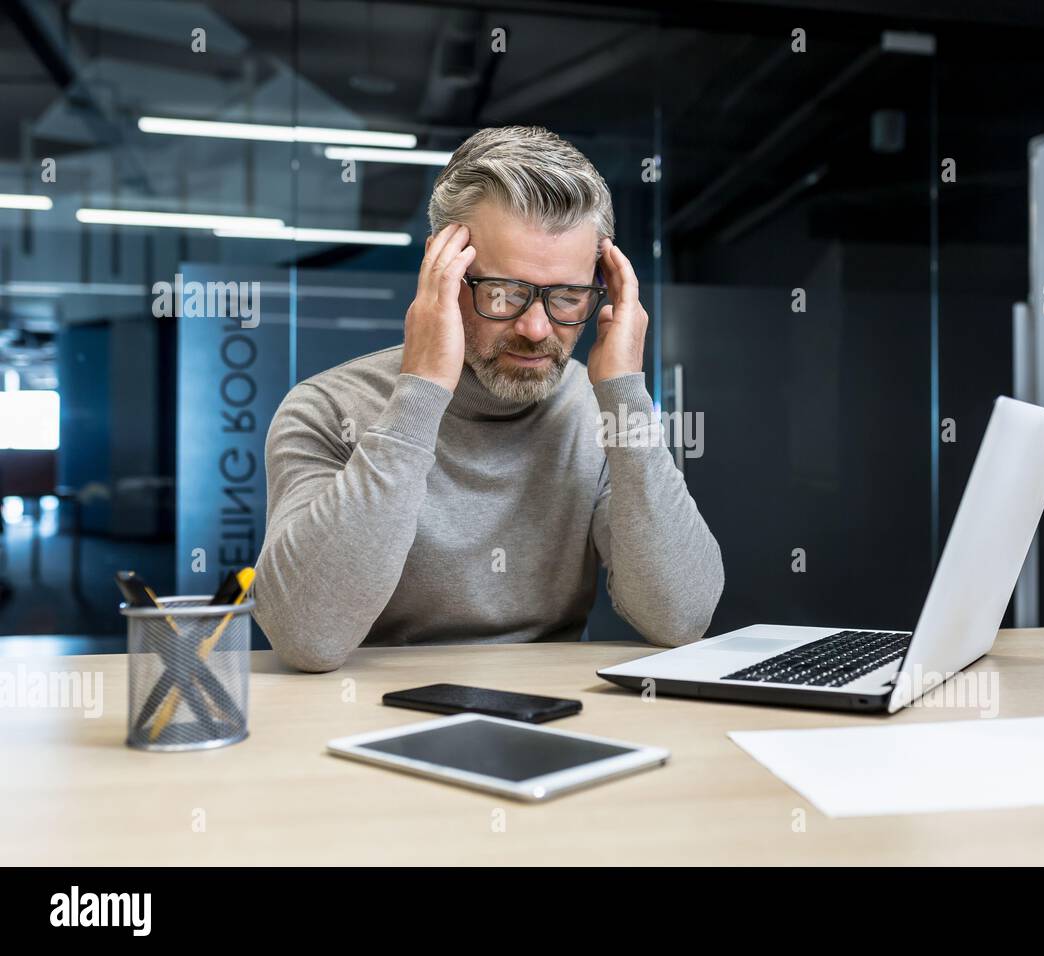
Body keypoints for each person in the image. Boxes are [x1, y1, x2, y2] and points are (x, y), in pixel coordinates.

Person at [253, 126, 724, 672]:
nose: (535, 327)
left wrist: (625, 394)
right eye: (502, 292)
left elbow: (682, 617)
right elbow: (307, 636)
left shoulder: (603, 416)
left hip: (550, 715)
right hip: (359, 719)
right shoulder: (326, 410)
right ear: (442, 272)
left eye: (568, 296)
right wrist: (423, 389)